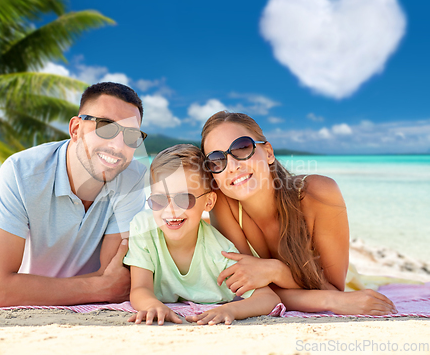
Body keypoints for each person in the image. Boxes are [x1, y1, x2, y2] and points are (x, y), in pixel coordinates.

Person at [0, 82, 148, 307]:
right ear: (75, 129)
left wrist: (15, 286)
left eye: (131, 136)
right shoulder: (22, 172)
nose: (118, 145)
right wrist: (99, 288)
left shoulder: (133, 176)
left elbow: (117, 279)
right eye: (106, 126)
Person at [201, 111, 397, 315]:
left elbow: (333, 289)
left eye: (242, 148)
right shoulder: (223, 203)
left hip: (331, 281)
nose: (232, 167)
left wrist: (276, 271)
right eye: (216, 160)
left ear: (268, 152)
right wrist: (329, 300)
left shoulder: (318, 193)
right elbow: (253, 291)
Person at [123, 144, 281, 325]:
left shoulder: (220, 250)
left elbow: (269, 298)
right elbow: (139, 288)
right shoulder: (144, 227)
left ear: (208, 202)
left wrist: (231, 309)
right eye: (158, 200)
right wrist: (152, 305)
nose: (171, 210)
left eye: (184, 199)